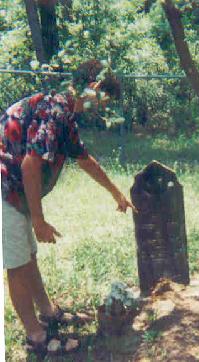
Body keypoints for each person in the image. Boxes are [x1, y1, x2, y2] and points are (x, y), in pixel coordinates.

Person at [1, 59, 136, 355]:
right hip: (5, 184)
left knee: (28, 256)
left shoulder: (65, 114)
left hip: (14, 187)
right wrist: (38, 219)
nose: (102, 107)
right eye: (105, 99)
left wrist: (116, 194)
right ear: (95, 87)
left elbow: (84, 160)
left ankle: (48, 313)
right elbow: (29, 165)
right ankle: (35, 337)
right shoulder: (56, 111)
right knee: (17, 263)